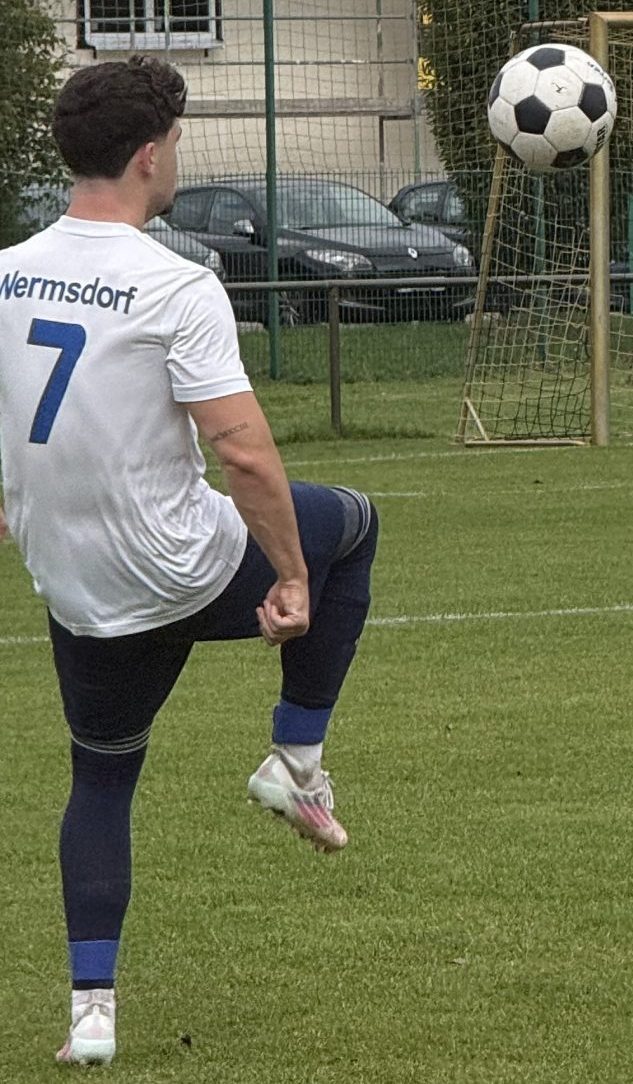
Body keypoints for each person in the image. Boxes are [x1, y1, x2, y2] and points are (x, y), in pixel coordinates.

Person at [0, 57, 379, 1066]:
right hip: (186, 567)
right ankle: (295, 761)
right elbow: (245, 451)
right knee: (353, 522)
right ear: (148, 155)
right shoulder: (177, 282)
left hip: (80, 592)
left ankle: (91, 1013)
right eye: (176, 139)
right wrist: (291, 575)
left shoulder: (4, 272)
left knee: (102, 778)